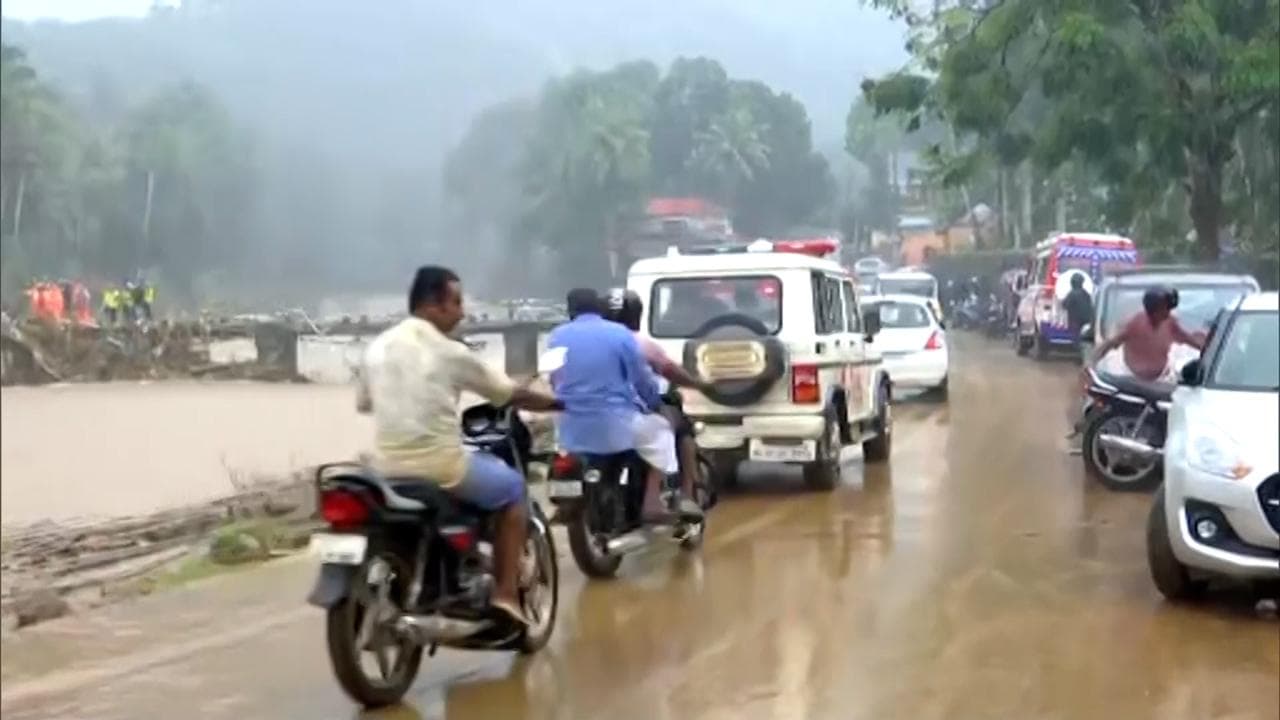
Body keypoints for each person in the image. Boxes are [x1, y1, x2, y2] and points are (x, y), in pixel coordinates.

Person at [357, 265, 561, 626]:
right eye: (456, 302)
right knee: (513, 489)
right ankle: (505, 595)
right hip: (440, 466)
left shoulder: (377, 348)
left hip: (383, 468)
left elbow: (365, 403)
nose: (462, 311)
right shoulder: (449, 352)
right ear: (433, 305)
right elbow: (508, 393)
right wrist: (557, 403)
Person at [547, 288, 685, 524]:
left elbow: (554, 376)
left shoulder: (556, 336)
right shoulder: (619, 335)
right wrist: (653, 404)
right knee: (661, 433)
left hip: (571, 421)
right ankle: (652, 503)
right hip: (615, 421)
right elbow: (641, 379)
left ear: (570, 310)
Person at [603, 288, 708, 520]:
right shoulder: (639, 342)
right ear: (636, 316)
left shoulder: (588, 340)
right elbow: (668, 370)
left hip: (587, 414)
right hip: (631, 412)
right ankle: (666, 498)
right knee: (671, 430)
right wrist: (698, 384)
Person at [1085, 286, 1206, 382]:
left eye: (1170, 309)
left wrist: (1207, 350)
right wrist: (1090, 365)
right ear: (1152, 309)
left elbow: (1188, 339)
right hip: (1131, 380)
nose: (1168, 313)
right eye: (1165, 309)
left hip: (1162, 380)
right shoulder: (1134, 324)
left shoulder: (1170, 323)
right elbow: (1109, 344)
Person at [1062, 272, 1094, 343]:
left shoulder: (1072, 294)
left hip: (1075, 325)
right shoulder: (1086, 294)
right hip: (1086, 325)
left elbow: (1064, 305)